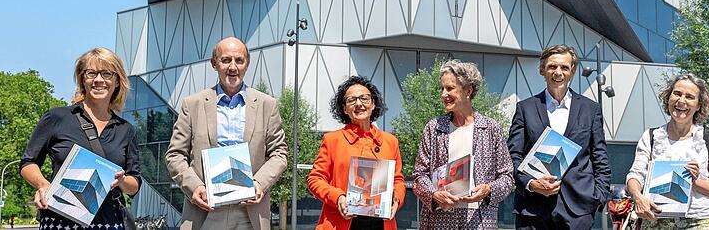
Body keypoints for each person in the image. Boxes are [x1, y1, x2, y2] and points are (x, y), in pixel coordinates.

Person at [165, 37, 288, 230]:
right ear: (214, 63)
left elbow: (279, 154)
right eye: (225, 60)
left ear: (247, 64)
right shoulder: (193, 104)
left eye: (239, 60)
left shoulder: (267, 105)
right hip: (205, 211)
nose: (233, 67)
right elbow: (175, 155)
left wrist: (259, 183)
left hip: (250, 213)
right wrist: (194, 187)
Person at [20, 47, 142, 230]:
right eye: (91, 73)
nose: (99, 80)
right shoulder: (57, 117)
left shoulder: (126, 130)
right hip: (60, 221)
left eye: (107, 73)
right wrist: (43, 184)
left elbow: (134, 185)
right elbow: (28, 162)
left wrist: (121, 181)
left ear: (117, 81)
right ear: (82, 79)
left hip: (109, 223)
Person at [507, 44, 611, 230]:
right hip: (533, 210)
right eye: (552, 66)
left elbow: (600, 158)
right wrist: (530, 183)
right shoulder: (525, 109)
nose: (558, 72)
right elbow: (512, 157)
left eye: (564, 67)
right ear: (542, 70)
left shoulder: (591, 109)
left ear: (573, 71)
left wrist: (598, 197)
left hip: (578, 210)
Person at [412, 60, 514, 229]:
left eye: (450, 88)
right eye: (442, 88)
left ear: (468, 90)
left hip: (479, 219)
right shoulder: (434, 128)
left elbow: (507, 177)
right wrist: (434, 194)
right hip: (440, 219)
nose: (443, 94)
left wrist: (488, 189)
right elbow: (419, 175)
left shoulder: (491, 128)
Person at [626, 73, 709, 229]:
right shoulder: (651, 136)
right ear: (668, 98)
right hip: (657, 218)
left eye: (689, 97)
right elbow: (635, 175)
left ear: (699, 105)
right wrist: (637, 197)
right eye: (677, 94)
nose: (682, 101)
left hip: (701, 220)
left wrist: (695, 182)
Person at [307, 76, 405, 230]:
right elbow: (315, 179)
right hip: (341, 223)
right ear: (344, 109)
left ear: (373, 104)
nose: (359, 104)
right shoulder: (332, 140)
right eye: (352, 100)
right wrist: (338, 197)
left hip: (382, 223)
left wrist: (397, 200)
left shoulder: (390, 142)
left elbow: (398, 180)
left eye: (364, 98)